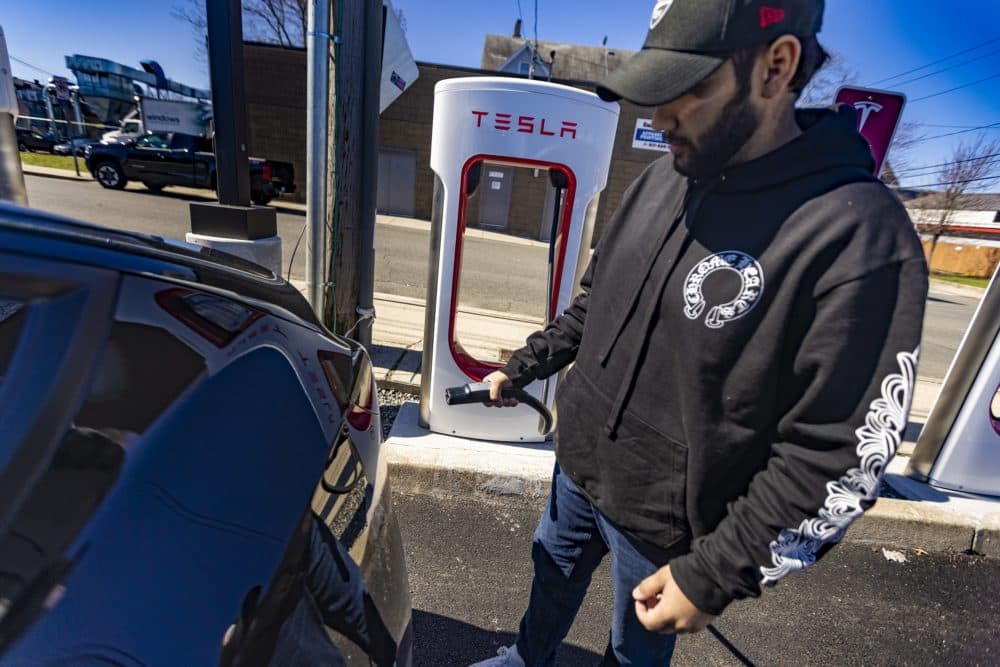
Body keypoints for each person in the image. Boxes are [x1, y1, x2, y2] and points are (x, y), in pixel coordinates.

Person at [470, 1, 928, 665]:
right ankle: (526, 656)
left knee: (634, 653)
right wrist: (525, 365)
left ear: (776, 66)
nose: (657, 120)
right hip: (579, 467)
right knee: (552, 582)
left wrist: (714, 571)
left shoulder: (857, 233)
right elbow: (597, 302)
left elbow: (838, 454)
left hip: (666, 522)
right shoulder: (664, 176)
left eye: (684, 92)